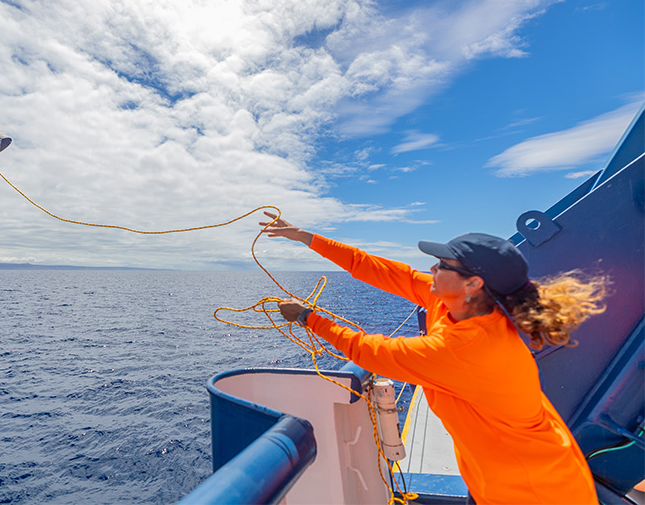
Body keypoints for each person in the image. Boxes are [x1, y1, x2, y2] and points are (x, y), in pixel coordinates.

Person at [260, 212, 606, 504]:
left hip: (534, 490)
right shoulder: (455, 303)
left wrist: (308, 317)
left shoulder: (465, 348)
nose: (432, 268)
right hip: (509, 472)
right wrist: (305, 237)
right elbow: (380, 269)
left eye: (442, 264)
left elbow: (367, 351)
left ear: (472, 284)